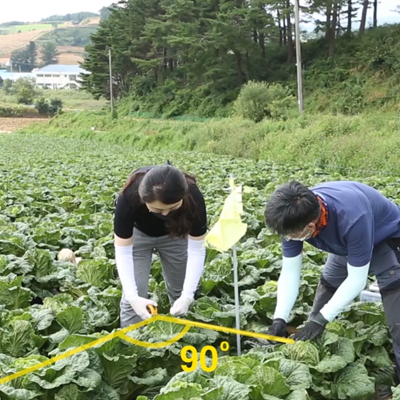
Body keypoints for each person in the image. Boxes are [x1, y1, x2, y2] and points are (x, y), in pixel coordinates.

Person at [262, 180, 400, 399]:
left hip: (385, 238)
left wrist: (322, 319)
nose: (287, 239)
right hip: (343, 244)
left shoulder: (353, 217)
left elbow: (357, 280)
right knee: (326, 288)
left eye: (290, 235)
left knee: (397, 321)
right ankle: (312, 353)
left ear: (309, 228)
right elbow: (290, 271)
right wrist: (279, 318)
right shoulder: (291, 220)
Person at [113, 163, 208, 328]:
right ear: (143, 199)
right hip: (138, 237)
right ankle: (131, 343)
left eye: (173, 208)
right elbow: (123, 251)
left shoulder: (193, 196)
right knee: (133, 295)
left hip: (176, 234)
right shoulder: (128, 196)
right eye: (157, 209)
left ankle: (184, 336)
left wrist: (187, 295)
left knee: (181, 292)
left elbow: (197, 250)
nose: (165, 214)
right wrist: (133, 298)